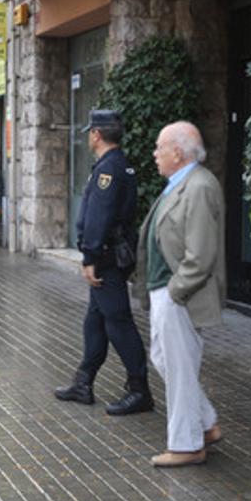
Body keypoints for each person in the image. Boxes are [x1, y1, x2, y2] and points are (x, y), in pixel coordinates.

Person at [133, 122, 224, 467]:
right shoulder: (181, 183)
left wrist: (175, 292)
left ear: (178, 151)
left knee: (180, 368)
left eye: (159, 147)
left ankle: (187, 445)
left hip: (179, 294)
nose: (154, 154)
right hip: (165, 292)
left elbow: (200, 255)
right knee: (164, 358)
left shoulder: (198, 186)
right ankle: (206, 423)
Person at [54, 110, 153, 416]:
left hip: (106, 257)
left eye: (89, 132)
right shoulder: (116, 164)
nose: (88, 136)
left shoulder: (109, 169)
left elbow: (99, 218)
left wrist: (90, 257)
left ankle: (140, 390)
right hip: (110, 254)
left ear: (96, 134)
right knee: (95, 319)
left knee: (118, 321)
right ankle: (83, 382)